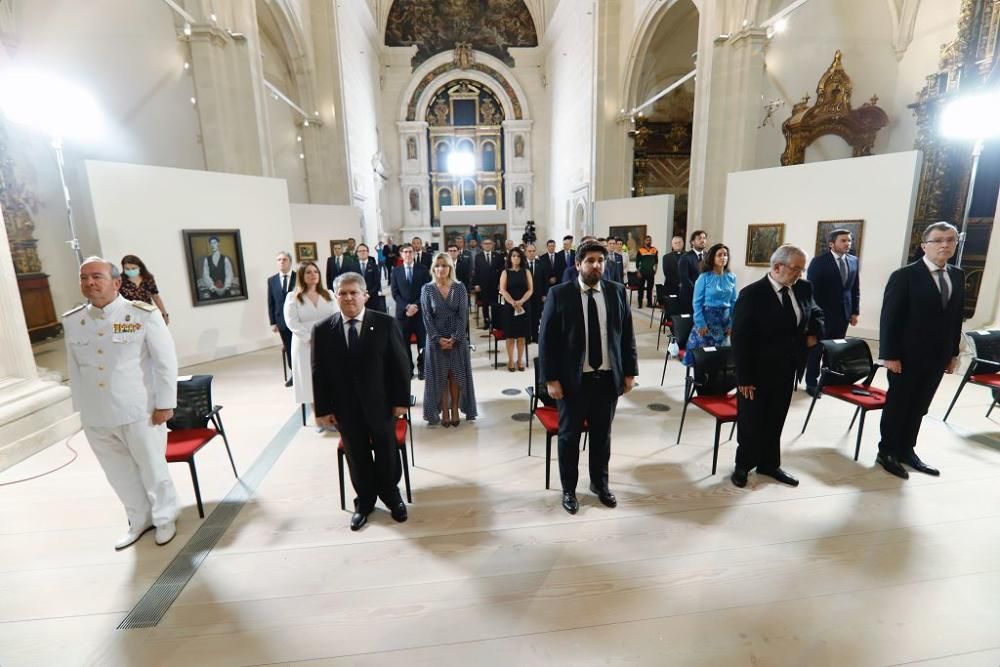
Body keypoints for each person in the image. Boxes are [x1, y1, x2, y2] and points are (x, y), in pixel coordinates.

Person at [64, 257, 179, 549]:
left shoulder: (141, 313)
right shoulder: (73, 321)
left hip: (138, 410)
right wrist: (81, 410)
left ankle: (165, 518)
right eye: (84, 277)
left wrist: (165, 403)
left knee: (153, 468)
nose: (89, 282)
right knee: (118, 473)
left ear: (116, 282)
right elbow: (75, 368)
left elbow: (165, 362)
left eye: (97, 276)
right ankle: (139, 520)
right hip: (97, 415)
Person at [539, 241, 638, 515]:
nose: (596, 265)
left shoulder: (617, 292)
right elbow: (546, 341)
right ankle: (569, 489)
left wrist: (629, 371)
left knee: (602, 436)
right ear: (578, 264)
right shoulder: (559, 294)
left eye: (600, 261)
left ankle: (600, 484)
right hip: (573, 381)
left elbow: (626, 336)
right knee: (569, 438)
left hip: (606, 379)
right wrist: (550, 379)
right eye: (590, 260)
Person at [313, 272, 411, 531]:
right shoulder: (323, 330)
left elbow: (401, 366)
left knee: (387, 452)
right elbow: (319, 373)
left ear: (365, 295)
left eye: (353, 292)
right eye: (342, 293)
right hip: (346, 409)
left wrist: (401, 400)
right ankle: (365, 501)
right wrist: (323, 410)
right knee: (356, 456)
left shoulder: (385, 324)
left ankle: (392, 496)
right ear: (336, 297)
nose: (348, 298)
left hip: (381, 404)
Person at [730, 244, 824, 489]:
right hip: (757, 371)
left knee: (776, 418)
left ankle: (769, 464)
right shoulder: (752, 294)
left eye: (802, 270)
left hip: (788, 367)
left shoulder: (803, 288)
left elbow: (815, 312)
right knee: (751, 420)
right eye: (796, 269)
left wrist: (814, 332)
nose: (799, 275)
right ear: (777, 266)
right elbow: (740, 339)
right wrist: (744, 378)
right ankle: (743, 465)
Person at [876, 221, 964, 479]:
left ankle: (907, 450)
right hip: (906, 356)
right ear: (924, 245)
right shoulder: (904, 275)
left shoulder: (957, 275)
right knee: (899, 404)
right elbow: (890, 318)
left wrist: (953, 354)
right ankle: (888, 452)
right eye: (938, 240)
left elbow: (955, 317)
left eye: (950, 239)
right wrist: (889, 355)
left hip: (938, 356)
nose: (945, 244)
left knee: (920, 406)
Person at [421, 252, 477, 427]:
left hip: (457, 339)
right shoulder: (427, 289)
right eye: (437, 266)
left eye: (444, 265)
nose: (441, 269)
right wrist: (438, 339)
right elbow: (427, 317)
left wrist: (455, 338)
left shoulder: (459, 288)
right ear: (433, 268)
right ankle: (444, 409)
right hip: (435, 339)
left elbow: (463, 316)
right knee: (440, 376)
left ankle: (454, 407)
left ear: (450, 267)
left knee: (455, 375)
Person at [804, 228, 861, 397]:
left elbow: (855, 288)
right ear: (831, 244)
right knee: (817, 349)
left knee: (834, 350)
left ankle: (827, 381)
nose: (848, 243)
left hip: (843, 314)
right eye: (843, 240)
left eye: (849, 240)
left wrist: (855, 312)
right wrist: (813, 316)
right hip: (822, 314)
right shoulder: (819, 262)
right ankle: (812, 383)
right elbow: (811, 292)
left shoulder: (853, 261)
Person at [284, 261, 337, 423]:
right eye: (308, 272)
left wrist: (327, 337)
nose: (313, 275)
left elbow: (336, 316)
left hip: (329, 341)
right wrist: (311, 338)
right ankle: (318, 417)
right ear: (301, 276)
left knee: (330, 377)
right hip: (304, 343)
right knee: (309, 380)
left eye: (315, 271)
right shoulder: (293, 297)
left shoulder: (328, 293)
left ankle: (333, 414)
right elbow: (291, 322)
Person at [683, 243, 738, 366]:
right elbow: (696, 302)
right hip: (706, 320)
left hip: (724, 321)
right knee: (702, 360)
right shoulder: (704, 277)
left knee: (720, 359)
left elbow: (734, 301)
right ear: (712, 257)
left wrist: (731, 323)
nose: (723, 257)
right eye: (719, 255)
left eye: (725, 255)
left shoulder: (732, 277)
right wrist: (700, 323)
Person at [390, 244, 431, 379]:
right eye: (405, 252)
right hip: (403, 314)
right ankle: (408, 368)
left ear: (414, 254)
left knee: (422, 343)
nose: (408, 254)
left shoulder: (423, 269)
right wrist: (407, 307)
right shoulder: (396, 271)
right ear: (401, 255)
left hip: (420, 313)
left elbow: (426, 290)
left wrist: (416, 306)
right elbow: (395, 293)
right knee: (404, 344)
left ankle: (422, 368)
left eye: (410, 252)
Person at [499, 247, 534, 371]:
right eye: (513, 256)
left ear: (521, 258)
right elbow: (503, 290)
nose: (516, 258)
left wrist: (521, 301)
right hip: (509, 306)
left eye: (518, 256)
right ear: (510, 258)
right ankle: (510, 360)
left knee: (521, 336)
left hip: (524, 306)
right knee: (510, 336)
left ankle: (520, 360)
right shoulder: (505, 272)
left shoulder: (526, 272)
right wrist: (513, 302)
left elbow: (530, 289)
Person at [268, 251, 297, 386]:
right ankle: (294, 375)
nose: (281, 262)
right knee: (289, 348)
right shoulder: (272, 280)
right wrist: (273, 322)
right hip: (282, 321)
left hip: (298, 320)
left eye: (284, 259)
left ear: (290, 262)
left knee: (298, 348)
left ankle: (304, 372)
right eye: (279, 259)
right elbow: (271, 302)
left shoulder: (299, 277)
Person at [119, 255, 169, 325]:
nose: (130, 271)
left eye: (133, 268)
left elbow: (155, 296)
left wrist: (164, 314)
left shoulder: (148, 278)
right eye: (127, 269)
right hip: (129, 317)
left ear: (139, 267)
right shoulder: (119, 281)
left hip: (148, 314)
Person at [473, 237, 505, 329]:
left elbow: (501, 271)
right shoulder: (478, 257)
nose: (487, 245)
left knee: (495, 304)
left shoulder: (498, 256)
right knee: (485, 305)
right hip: (483, 285)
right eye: (485, 244)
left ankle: (495, 322)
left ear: (492, 245)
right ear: (482, 245)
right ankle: (486, 322)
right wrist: (476, 284)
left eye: (489, 243)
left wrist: (501, 283)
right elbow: (476, 271)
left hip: (495, 285)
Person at [678, 229, 708, 312]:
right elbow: (684, 278)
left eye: (704, 238)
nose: (703, 240)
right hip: (689, 296)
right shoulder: (685, 257)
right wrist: (698, 290)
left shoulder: (708, 256)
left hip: (705, 296)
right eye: (699, 238)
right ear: (692, 242)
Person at [525, 244, 547, 343]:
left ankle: (535, 335)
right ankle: (527, 336)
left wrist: (544, 294)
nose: (531, 253)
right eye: (529, 251)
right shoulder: (522, 265)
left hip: (538, 295)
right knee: (527, 316)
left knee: (536, 316)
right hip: (525, 296)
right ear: (526, 252)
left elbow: (545, 280)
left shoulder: (541, 264)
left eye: (533, 251)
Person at [356, 244, 385, 312]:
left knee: (372, 320)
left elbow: (377, 284)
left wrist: (367, 294)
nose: (362, 252)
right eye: (360, 251)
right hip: (357, 299)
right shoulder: (352, 266)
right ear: (357, 253)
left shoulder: (374, 266)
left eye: (364, 250)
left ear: (368, 252)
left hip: (372, 298)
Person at [635, 235, 659, 309]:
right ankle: (640, 303)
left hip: (651, 272)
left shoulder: (654, 250)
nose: (649, 241)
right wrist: (638, 272)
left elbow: (656, 261)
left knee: (650, 289)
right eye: (647, 240)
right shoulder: (640, 250)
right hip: (642, 272)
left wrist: (655, 270)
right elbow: (637, 262)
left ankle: (649, 303)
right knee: (640, 289)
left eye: (650, 240)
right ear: (644, 241)